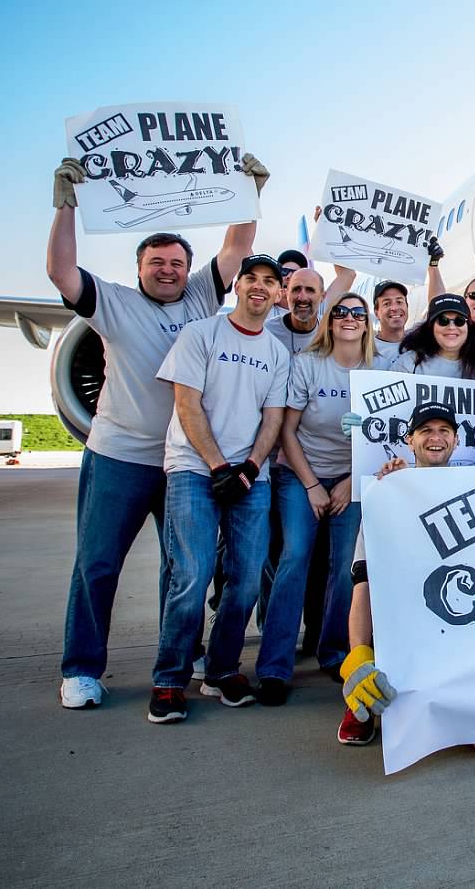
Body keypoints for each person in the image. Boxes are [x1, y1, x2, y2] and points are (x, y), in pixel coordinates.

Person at [46, 154, 262, 710]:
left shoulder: (199, 297)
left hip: (185, 461)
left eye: (175, 262)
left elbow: (236, 252)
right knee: (97, 564)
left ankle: (183, 654)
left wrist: (248, 193)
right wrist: (65, 205)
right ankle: (81, 668)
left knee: (183, 568)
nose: (167, 270)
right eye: (156, 262)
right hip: (119, 456)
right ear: (139, 266)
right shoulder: (113, 303)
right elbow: (61, 274)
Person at [146, 254, 290, 724]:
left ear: (277, 294)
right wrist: (217, 466)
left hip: (250, 477)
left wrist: (248, 467)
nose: (260, 287)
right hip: (193, 468)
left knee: (246, 579)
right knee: (191, 574)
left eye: (270, 282)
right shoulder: (200, 334)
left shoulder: (277, 352)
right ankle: (169, 678)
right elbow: (186, 403)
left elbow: (273, 417)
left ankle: (222, 669)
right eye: (252, 278)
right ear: (238, 285)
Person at [336, 401, 475, 755]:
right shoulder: (387, 495)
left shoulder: (474, 487)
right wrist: (359, 658)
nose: (436, 438)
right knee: (387, 703)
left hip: (460, 633)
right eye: (426, 430)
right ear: (410, 439)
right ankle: (361, 700)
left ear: (457, 441)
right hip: (406, 636)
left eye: (444, 430)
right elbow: (363, 587)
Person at [254, 292, 377, 706]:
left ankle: (335, 652)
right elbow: (286, 432)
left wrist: (350, 483)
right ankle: (274, 665)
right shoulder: (307, 364)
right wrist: (311, 485)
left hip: (352, 477)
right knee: (294, 559)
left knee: (345, 566)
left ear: (366, 323)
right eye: (340, 312)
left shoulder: (379, 370)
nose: (348, 318)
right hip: (300, 473)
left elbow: (385, 442)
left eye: (357, 314)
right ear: (330, 320)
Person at [390, 293, 475, 381]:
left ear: (468, 326)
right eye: (443, 321)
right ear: (431, 327)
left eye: (459, 321)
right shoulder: (408, 364)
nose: (451, 327)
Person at [371, 280, 410, 366]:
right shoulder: (367, 349)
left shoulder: (419, 341)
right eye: (387, 303)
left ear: (407, 307)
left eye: (399, 302)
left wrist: (433, 267)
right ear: (376, 313)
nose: (394, 308)